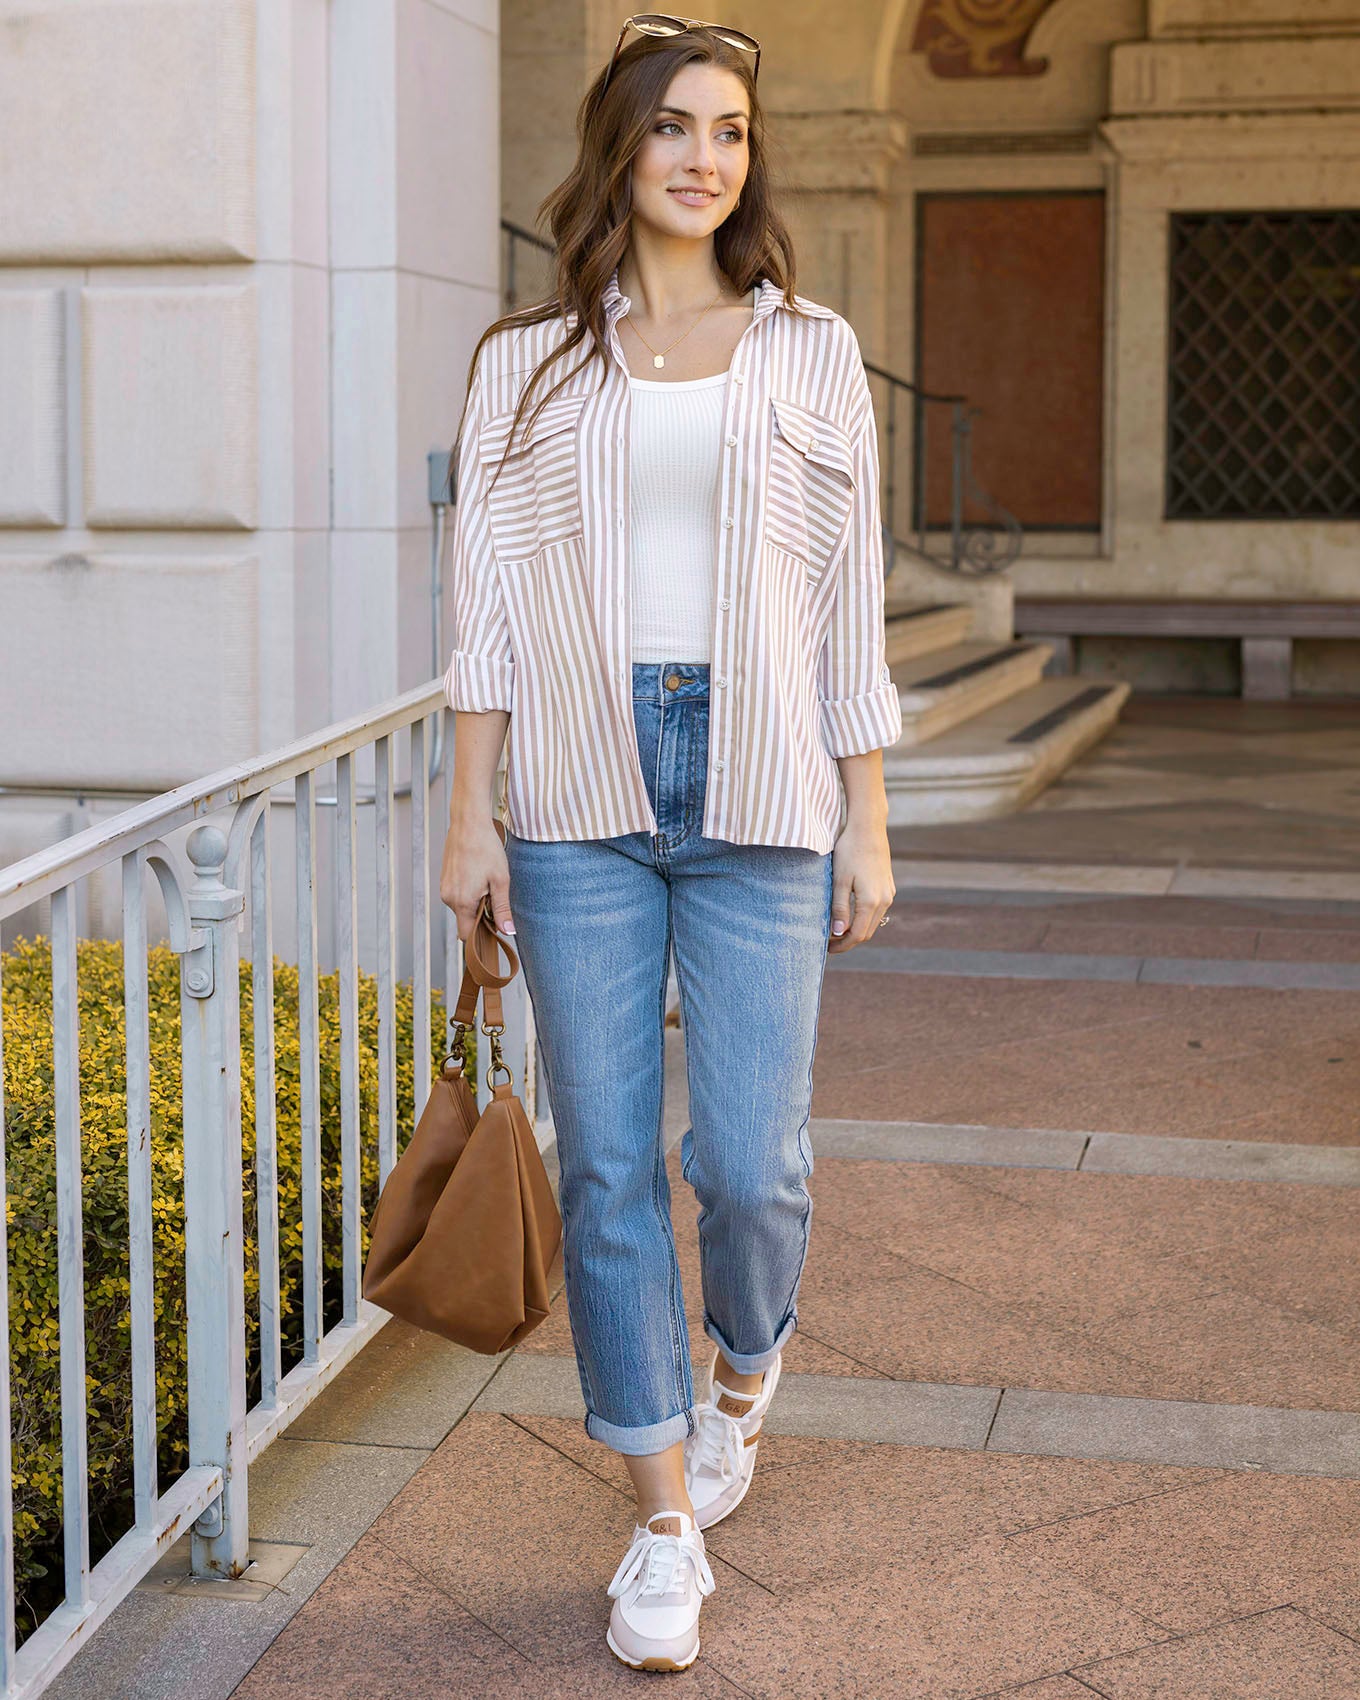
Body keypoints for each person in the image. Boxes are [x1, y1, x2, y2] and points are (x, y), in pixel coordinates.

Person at [438, 12, 901, 1674]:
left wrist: (871, 815)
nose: (706, 157)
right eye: (675, 128)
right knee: (615, 1164)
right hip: (576, 792)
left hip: (765, 781)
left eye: (731, 130)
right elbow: (487, 606)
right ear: (618, 150)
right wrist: (468, 809)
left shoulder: (813, 351)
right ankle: (657, 1520)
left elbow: (849, 604)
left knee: (752, 1168)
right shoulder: (526, 363)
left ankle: (744, 1368)